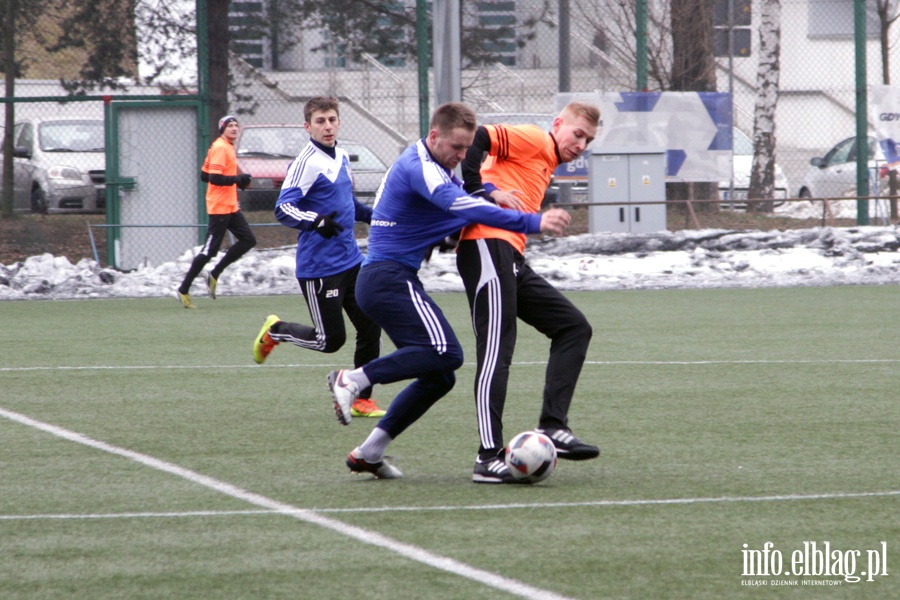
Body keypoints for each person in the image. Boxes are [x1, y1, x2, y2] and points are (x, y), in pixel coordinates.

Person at [325, 102, 571, 479]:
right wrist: (531, 221)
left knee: (440, 373)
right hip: (386, 278)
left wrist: (490, 190)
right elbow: (464, 207)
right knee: (445, 352)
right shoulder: (420, 167)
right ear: (435, 135)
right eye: (457, 148)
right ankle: (354, 379)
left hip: (388, 279)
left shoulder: (437, 167)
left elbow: (466, 203)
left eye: (467, 148)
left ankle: (369, 453)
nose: (462, 156)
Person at [457, 102, 602, 483]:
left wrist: (488, 188)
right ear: (558, 125)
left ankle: (553, 426)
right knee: (497, 352)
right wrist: (478, 190)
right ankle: (488, 457)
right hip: (487, 246)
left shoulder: (546, 160)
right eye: (577, 134)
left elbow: (495, 173)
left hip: (511, 256)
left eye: (588, 140)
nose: (581, 144)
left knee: (573, 327)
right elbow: (478, 137)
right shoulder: (536, 139)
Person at [252, 96, 385, 418]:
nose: (327, 126)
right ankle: (276, 330)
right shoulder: (306, 162)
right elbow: (283, 208)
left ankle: (359, 398)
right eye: (320, 121)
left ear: (339, 122)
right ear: (307, 126)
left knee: (370, 326)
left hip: (351, 260)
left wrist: (375, 216)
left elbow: (346, 201)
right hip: (319, 268)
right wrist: (316, 221)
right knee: (330, 341)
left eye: (331, 120)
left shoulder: (340, 155)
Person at [176, 115, 255, 308]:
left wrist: (236, 180)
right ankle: (183, 289)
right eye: (230, 126)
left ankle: (214, 273)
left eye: (236, 125)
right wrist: (238, 179)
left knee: (248, 240)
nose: (234, 128)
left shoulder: (224, 146)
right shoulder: (221, 147)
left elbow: (204, 175)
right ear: (222, 129)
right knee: (209, 251)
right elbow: (214, 178)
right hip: (219, 207)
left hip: (230, 205)